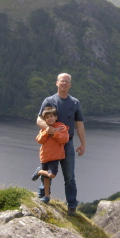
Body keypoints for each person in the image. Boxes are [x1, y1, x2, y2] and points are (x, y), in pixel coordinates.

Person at [36, 73, 86, 216]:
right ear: (57, 83)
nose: (64, 84)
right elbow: (39, 120)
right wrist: (49, 129)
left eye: (67, 82)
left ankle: (71, 205)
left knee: (69, 176)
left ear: (70, 85)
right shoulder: (49, 101)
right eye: (62, 81)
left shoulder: (75, 103)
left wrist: (83, 144)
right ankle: (43, 195)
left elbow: (79, 124)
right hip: (51, 143)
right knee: (47, 169)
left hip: (67, 143)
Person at [31, 107, 69, 204]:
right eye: (47, 117)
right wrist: (47, 132)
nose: (49, 119)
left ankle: (39, 171)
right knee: (46, 178)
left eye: (51, 116)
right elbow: (39, 140)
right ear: (45, 119)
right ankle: (46, 196)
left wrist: (55, 133)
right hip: (45, 156)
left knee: (52, 174)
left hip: (54, 157)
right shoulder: (44, 129)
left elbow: (65, 139)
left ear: (56, 117)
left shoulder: (61, 127)